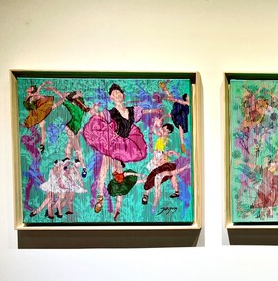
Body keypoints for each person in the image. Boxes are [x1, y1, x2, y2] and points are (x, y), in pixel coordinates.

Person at [82, 83, 160, 213]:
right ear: (111, 98)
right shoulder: (110, 112)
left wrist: (153, 111)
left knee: (118, 173)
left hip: (123, 144)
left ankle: (118, 203)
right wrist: (93, 111)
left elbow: (142, 112)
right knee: (104, 168)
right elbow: (99, 116)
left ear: (123, 95)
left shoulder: (132, 110)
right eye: (114, 94)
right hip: (112, 142)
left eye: (118, 93)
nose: (117, 95)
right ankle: (100, 196)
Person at [45, 85, 91, 176]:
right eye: (76, 93)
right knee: (77, 147)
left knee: (70, 144)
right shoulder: (69, 104)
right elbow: (61, 95)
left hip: (76, 128)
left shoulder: (81, 102)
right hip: (70, 127)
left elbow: (79, 94)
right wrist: (53, 89)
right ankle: (84, 167)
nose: (79, 93)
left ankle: (67, 159)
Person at [21, 82, 55, 154]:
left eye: (31, 88)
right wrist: (45, 83)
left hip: (37, 113)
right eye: (30, 88)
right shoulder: (29, 96)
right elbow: (39, 88)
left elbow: (39, 89)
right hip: (33, 113)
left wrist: (45, 83)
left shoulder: (33, 96)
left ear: (31, 91)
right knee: (41, 127)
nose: (29, 88)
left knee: (42, 127)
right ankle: (42, 144)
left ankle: (42, 144)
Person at [159, 82, 191, 154]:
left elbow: (182, 102)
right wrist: (173, 99)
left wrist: (174, 99)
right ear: (186, 97)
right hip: (180, 110)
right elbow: (180, 102)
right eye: (188, 96)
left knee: (181, 127)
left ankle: (182, 143)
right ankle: (165, 89)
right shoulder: (185, 102)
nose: (189, 97)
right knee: (181, 126)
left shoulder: (188, 103)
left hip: (181, 113)